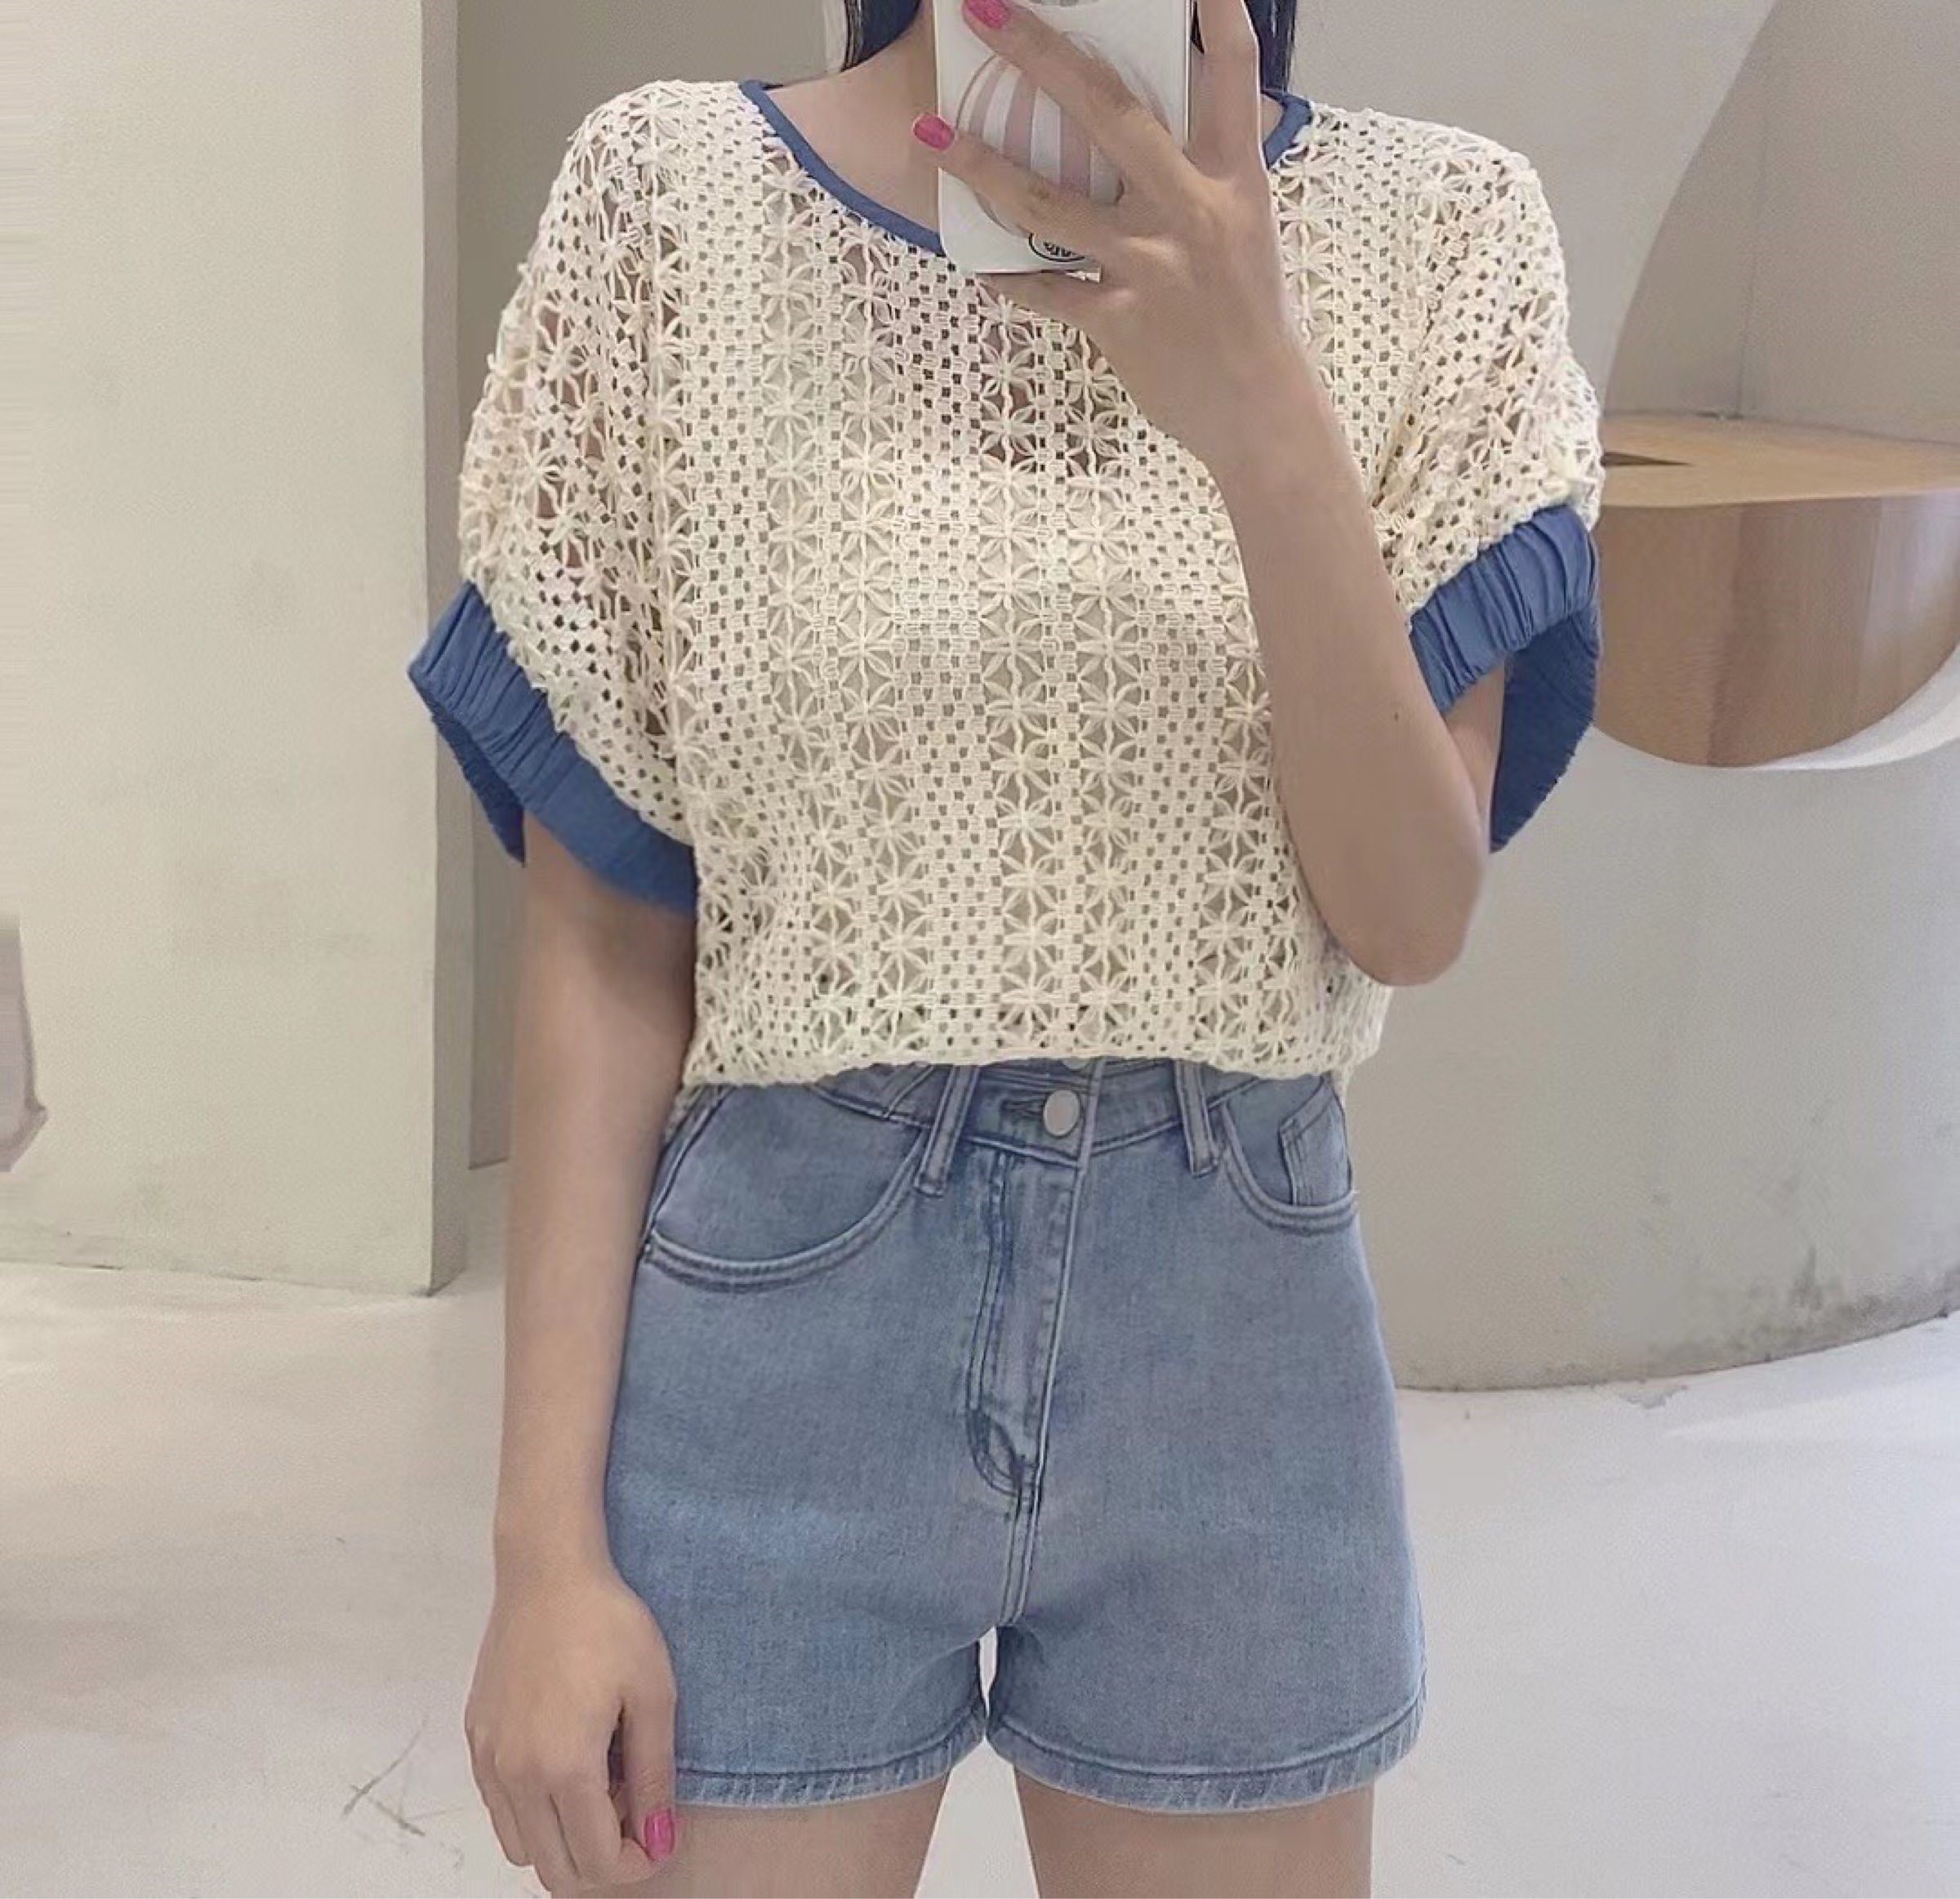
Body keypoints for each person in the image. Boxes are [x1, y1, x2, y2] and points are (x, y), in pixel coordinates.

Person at [407, 0, 1604, 1891]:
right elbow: (605, 942)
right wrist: (541, 1555)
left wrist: (1262, 409)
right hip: (785, 1314)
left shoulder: (1442, 232)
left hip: (1235, 1339)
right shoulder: (666, 206)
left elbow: (1406, 908)